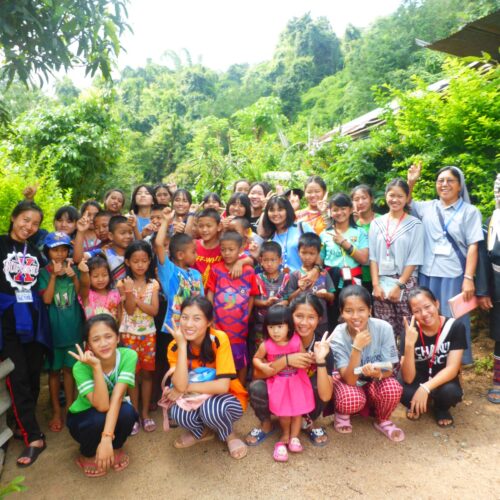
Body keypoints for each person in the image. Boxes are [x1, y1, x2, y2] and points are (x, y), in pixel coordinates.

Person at [408, 164, 483, 365]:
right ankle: (431, 362)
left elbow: (473, 246)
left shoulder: (470, 212)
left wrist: (468, 278)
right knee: (427, 316)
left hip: (454, 274)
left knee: (454, 319)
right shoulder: (428, 207)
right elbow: (405, 203)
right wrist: (411, 182)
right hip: (428, 273)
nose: (444, 184)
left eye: (450, 180)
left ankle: (455, 366)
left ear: (460, 186)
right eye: (440, 180)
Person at [166, 296, 248, 459]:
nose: (189, 324)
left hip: (229, 397)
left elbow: (222, 386)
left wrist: (185, 388)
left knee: (211, 409)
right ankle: (202, 431)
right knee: (177, 411)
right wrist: (182, 345)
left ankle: (229, 434)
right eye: (185, 317)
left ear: (209, 321)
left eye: (197, 318)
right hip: (195, 397)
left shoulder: (218, 338)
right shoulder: (174, 346)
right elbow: (179, 384)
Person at [0, 201, 50, 466]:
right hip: (7, 321)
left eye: (35, 223)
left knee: (32, 374)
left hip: (32, 318)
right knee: (17, 376)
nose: (29, 226)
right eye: (25, 220)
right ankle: (34, 437)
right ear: (13, 217)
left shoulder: (34, 252)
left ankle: (23, 423)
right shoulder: (0, 244)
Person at [247, 295, 334, 447]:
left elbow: (326, 395)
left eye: (311, 317)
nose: (304, 322)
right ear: (289, 317)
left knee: (319, 384)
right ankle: (266, 423)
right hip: (279, 388)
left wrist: (319, 360)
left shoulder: (322, 346)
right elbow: (257, 375)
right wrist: (285, 361)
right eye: (299, 316)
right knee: (256, 387)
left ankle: (308, 421)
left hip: (300, 389)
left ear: (319, 319)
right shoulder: (273, 340)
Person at [66, 314, 138, 477]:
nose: (104, 343)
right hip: (83, 417)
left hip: (112, 408)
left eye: (108, 336)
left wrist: (106, 438)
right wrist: (96, 367)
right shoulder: (80, 367)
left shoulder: (129, 356)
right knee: (98, 419)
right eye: (96, 339)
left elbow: (117, 398)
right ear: (89, 345)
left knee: (128, 412)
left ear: (118, 337)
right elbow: (103, 405)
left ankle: (116, 447)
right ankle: (87, 454)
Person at [330, 285, 404, 442]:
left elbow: (390, 369)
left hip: (373, 380)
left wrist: (379, 374)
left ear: (370, 310)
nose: (355, 316)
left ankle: (382, 419)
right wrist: (356, 348)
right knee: (351, 398)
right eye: (349, 311)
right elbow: (349, 380)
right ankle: (342, 412)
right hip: (348, 381)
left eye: (361, 310)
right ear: (341, 312)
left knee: (393, 387)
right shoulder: (338, 335)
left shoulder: (384, 328)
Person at [253, 305, 314, 462]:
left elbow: (304, 357)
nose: (275, 331)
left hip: (297, 382)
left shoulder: (296, 340)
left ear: (289, 326)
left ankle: (294, 437)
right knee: (284, 414)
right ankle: (285, 435)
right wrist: (262, 366)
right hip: (279, 384)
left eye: (280, 326)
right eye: (271, 327)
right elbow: (256, 358)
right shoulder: (266, 345)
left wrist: (310, 357)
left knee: (298, 413)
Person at [401, 287, 465, 427]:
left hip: (443, 379)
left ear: (437, 304)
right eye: (417, 311)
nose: (424, 314)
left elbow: (452, 368)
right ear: (412, 314)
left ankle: (441, 408)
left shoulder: (455, 327)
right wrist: (409, 344)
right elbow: (408, 378)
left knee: (451, 392)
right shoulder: (410, 331)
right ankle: (419, 403)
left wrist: (425, 388)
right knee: (403, 392)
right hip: (417, 378)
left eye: (427, 306)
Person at [39, 232, 83, 433]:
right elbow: (47, 299)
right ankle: (57, 411)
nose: (60, 254)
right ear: (47, 252)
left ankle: (70, 408)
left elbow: (81, 294)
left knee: (70, 371)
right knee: (54, 372)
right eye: (55, 250)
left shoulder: (74, 269)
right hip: (54, 332)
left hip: (73, 330)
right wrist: (54, 276)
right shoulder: (44, 272)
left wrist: (73, 276)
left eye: (64, 249)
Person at [370, 179, 423, 340]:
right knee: (384, 330)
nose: (395, 200)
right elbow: (373, 257)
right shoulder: (376, 223)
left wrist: (399, 285)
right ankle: (389, 358)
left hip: (406, 282)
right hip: (382, 283)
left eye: (400, 196)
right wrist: (375, 285)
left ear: (407, 198)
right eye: (392, 195)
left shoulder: (415, 224)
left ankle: (408, 356)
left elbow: (414, 258)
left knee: (408, 328)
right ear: (386, 196)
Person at [117, 241, 160, 434]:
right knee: (132, 375)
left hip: (148, 335)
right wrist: (129, 292)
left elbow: (154, 310)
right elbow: (129, 310)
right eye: (135, 261)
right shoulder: (122, 284)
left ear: (149, 261)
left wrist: (136, 299)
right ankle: (134, 414)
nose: (140, 265)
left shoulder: (153, 284)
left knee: (147, 374)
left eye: (144, 260)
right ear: (127, 262)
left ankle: (145, 414)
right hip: (129, 335)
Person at [206, 231, 259, 385]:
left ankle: (241, 389)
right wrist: (210, 317)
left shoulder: (248, 271)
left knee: (240, 357)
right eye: (223, 249)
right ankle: (218, 388)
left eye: (231, 249)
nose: (227, 253)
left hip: (239, 325)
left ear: (240, 249)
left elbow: (252, 295)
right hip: (218, 323)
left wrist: (247, 315)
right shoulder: (216, 269)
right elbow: (210, 293)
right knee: (218, 354)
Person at [320, 193, 369, 329]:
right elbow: (319, 261)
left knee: (354, 314)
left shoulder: (360, 232)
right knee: (332, 316)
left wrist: (344, 243)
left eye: (343, 208)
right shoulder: (324, 234)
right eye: (335, 209)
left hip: (354, 279)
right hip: (331, 281)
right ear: (330, 212)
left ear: (351, 209)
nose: (339, 212)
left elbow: (364, 259)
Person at [475, 173, 500, 403]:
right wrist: (483, 291)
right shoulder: (490, 222)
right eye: (498, 190)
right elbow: (482, 259)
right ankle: (498, 382)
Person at [285, 233, 335, 336]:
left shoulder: (324, 273)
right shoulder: (294, 275)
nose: (307, 257)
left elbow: (332, 297)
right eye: (304, 253)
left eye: (312, 253)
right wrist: (300, 289)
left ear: (318, 254)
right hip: (301, 323)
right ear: (298, 252)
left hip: (321, 321)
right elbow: (289, 299)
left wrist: (325, 295)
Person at [258, 195, 314, 273]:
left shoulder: (301, 227)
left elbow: (319, 252)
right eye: (272, 210)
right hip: (282, 280)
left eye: (280, 209)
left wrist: (315, 270)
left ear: (287, 211)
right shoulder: (270, 239)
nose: (275, 213)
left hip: (307, 278)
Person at [74, 215, 134, 282]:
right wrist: (80, 232)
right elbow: (78, 259)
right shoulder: (103, 253)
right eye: (123, 233)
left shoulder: (134, 253)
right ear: (111, 236)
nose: (128, 236)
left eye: (130, 232)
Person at [253, 241, 290, 347]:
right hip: (261, 325)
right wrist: (265, 303)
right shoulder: (257, 278)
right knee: (261, 350)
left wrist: (282, 304)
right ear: (260, 261)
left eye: (273, 260)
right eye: (266, 260)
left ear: (280, 260)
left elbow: (289, 298)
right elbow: (253, 300)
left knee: (279, 350)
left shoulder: (286, 278)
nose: (269, 264)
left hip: (281, 325)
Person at [351, 185, 380, 292]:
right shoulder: (350, 224)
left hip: (380, 273)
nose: (360, 202)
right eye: (356, 199)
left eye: (364, 198)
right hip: (359, 274)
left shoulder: (382, 220)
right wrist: (353, 223)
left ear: (371, 199)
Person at [78, 254, 122, 321]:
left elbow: (120, 317)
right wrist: (84, 272)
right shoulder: (87, 296)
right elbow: (84, 285)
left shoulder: (115, 295)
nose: (100, 279)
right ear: (89, 277)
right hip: (93, 328)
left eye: (104, 275)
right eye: (95, 276)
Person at [193, 208, 222, 287]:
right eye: (201, 226)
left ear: (219, 226)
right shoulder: (193, 245)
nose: (204, 230)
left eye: (209, 226)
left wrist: (240, 263)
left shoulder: (224, 247)